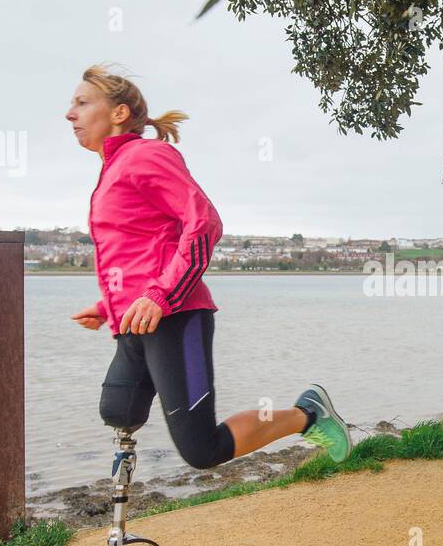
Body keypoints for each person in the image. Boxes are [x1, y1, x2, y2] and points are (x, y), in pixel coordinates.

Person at [66, 64, 351, 467]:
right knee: (119, 410)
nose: (70, 113)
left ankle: (307, 414)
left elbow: (203, 225)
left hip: (177, 318)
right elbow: (142, 250)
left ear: (119, 114)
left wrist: (160, 296)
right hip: (135, 319)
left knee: (202, 449)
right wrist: (107, 305)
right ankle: (117, 526)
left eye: (81, 103)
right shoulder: (113, 169)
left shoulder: (148, 156)